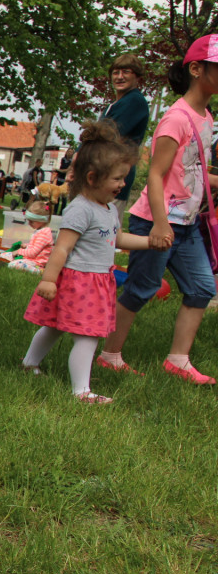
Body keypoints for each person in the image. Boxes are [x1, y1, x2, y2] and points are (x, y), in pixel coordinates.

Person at [99, 35, 218, 384]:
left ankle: (178, 360)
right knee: (141, 288)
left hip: (189, 224)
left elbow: (192, 171)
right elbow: (156, 173)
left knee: (201, 288)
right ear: (196, 69)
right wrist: (160, 225)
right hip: (157, 221)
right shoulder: (176, 118)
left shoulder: (207, 117)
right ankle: (109, 355)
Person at [20, 120, 151, 403]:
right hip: (79, 281)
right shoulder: (81, 209)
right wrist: (48, 280)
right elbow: (62, 249)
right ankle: (81, 392)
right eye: (117, 179)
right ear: (92, 178)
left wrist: (149, 242)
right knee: (87, 336)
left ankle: (29, 363)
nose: (122, 184)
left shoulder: (108, 209)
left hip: (97, 281)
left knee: (56, 326)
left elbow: (117, 239)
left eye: (123, 177)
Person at [101, 53, 150, 221]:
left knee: (103, 232)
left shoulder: (135, 101)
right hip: (104, 176)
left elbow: (105, 136)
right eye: (116, 72)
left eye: (126, 72)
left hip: (115, 177)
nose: (120, 77)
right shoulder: (116, 104)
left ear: (137, 77)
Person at [3, 199, 54, 274]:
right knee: (5, 255)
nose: (29, 223)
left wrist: (19, 251)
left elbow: (33, 253)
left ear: (41, 220)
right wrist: (26, 246)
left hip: (37, 263)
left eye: (31, 221)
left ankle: (39, 271)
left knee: (14, 264)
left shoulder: (44, 234)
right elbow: (36, 246)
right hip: (31, 259)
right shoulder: (40, 230)